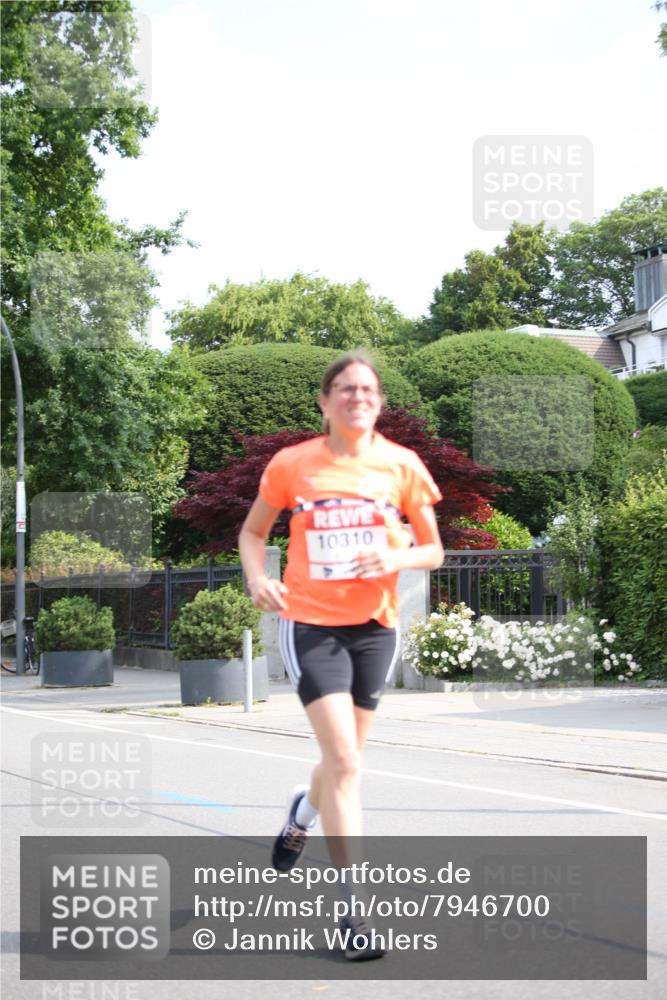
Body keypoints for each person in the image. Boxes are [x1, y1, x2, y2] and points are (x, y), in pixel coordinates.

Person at [238, 349, 444, 960]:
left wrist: (396, 557)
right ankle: (352, 914)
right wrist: (256, 579)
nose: (359, 397)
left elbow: (432, 551)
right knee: (348, 764)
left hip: (376, 626)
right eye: (346, 389)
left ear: (379, 403)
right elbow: (253, 532)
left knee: (340, 763)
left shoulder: (402, 466)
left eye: (369, 390)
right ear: (325, 401)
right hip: (311, 625)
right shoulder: (292, 465)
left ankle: (302, 811)